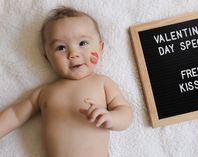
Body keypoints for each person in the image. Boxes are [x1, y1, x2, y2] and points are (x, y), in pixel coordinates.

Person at [0, 6, 133, 157]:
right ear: (47, 57)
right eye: (61, 47)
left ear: (101, 47)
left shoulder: (102, 83)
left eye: (83, 43)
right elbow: (15, 114)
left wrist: (111, 118)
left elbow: (126, 113)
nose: (73, 54)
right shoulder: (44, 93)